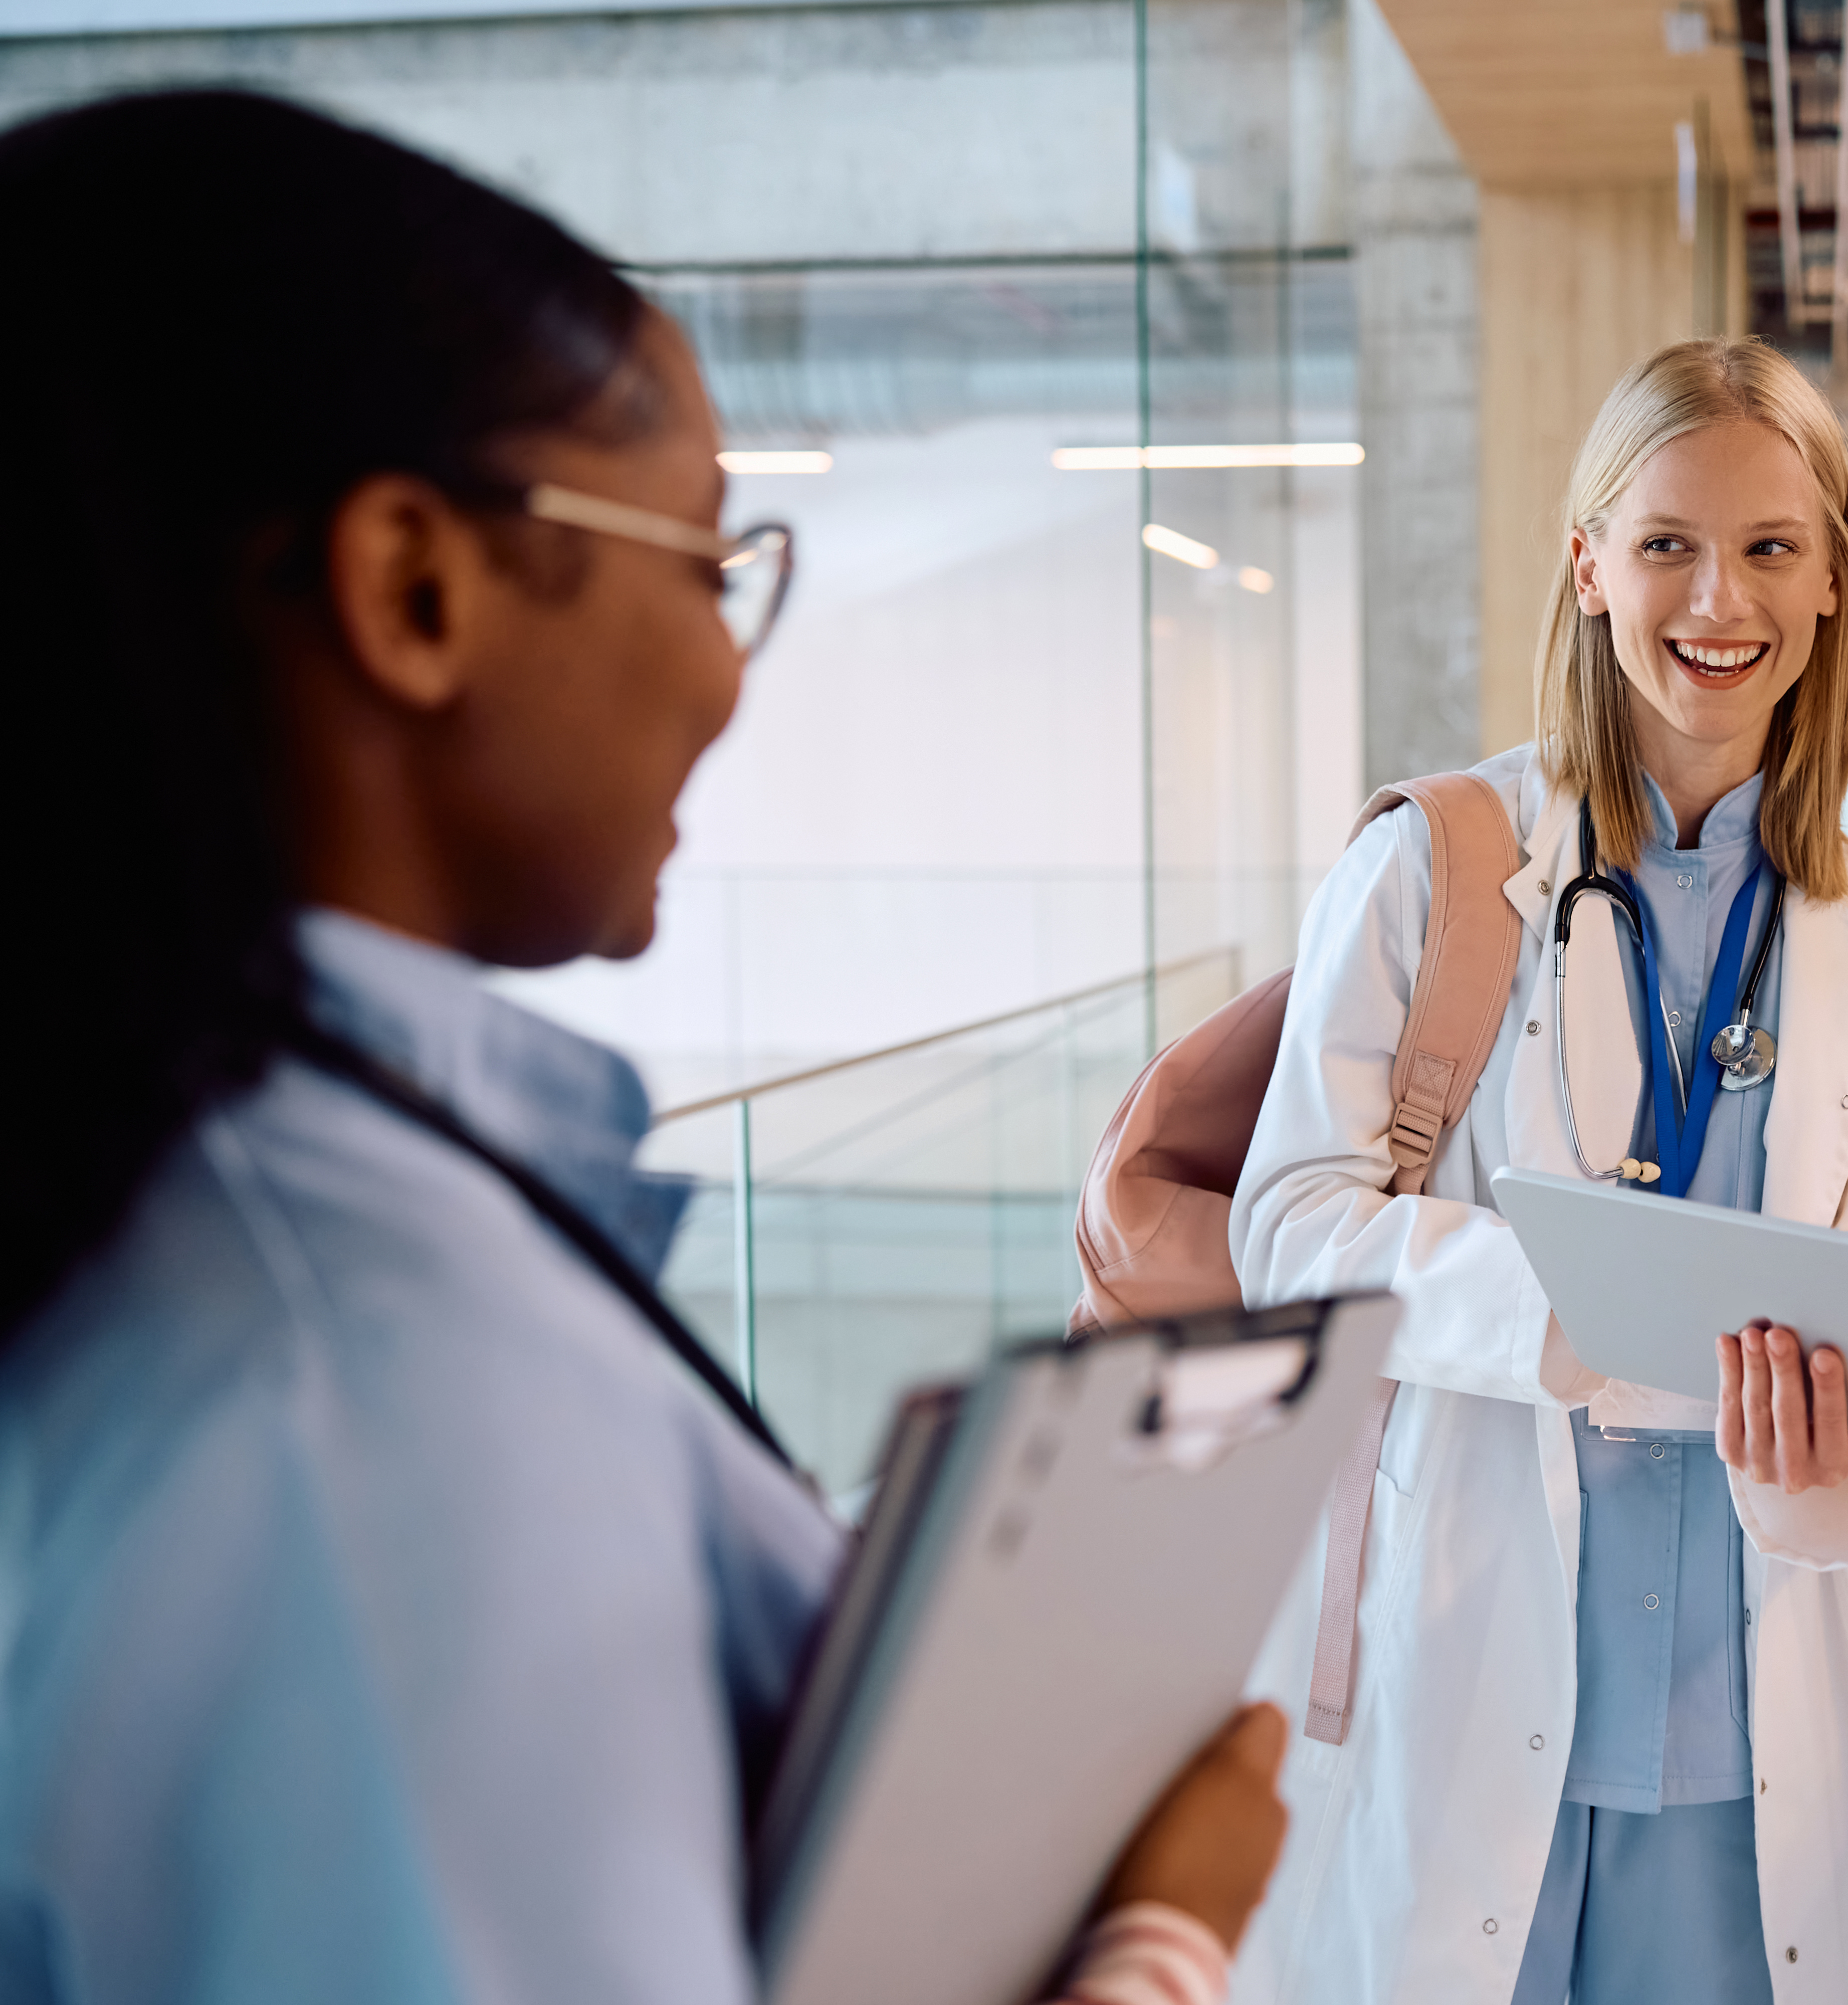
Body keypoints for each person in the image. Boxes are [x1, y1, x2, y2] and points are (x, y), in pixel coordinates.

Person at [0, 89, 1283, 2005]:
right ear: (412, 590)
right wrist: (1159, 1935)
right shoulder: (371, 1400)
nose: (724, 664)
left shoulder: (240, 1225)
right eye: (701, 556)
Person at [1224, 336, 1848, 2005]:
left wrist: (1839, 1461)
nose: (1722, 599)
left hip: (1749, 1698)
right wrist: (1562, 1314)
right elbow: (1287, 1223)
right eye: (1668, 545)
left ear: (1834, 580)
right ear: (1588, 563)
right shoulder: (1440, 864)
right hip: (1486, 1640)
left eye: (1774, 548)